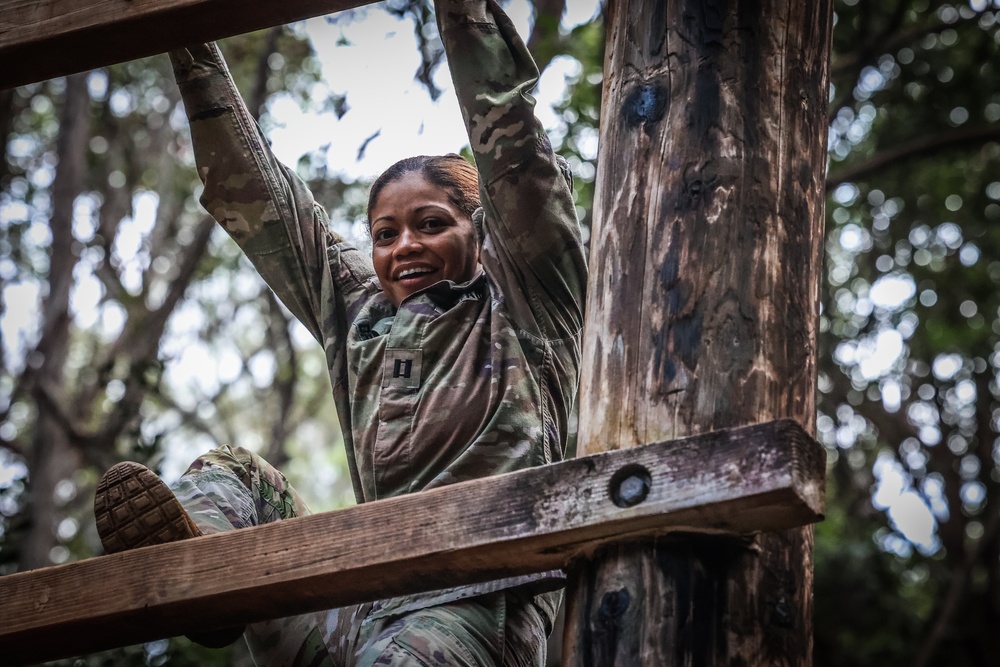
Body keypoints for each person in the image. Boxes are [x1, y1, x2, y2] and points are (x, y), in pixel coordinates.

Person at [93, 0, 587, 664]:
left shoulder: (527, 301)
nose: (405, 244)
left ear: (482, 230)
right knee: (237, 478)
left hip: (474, 610)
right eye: (386, 233)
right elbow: (259, 197)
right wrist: (187, 39)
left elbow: (517, 150)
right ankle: (204, 576)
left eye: (432, 223)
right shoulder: (364, 320)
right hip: (358, 607)